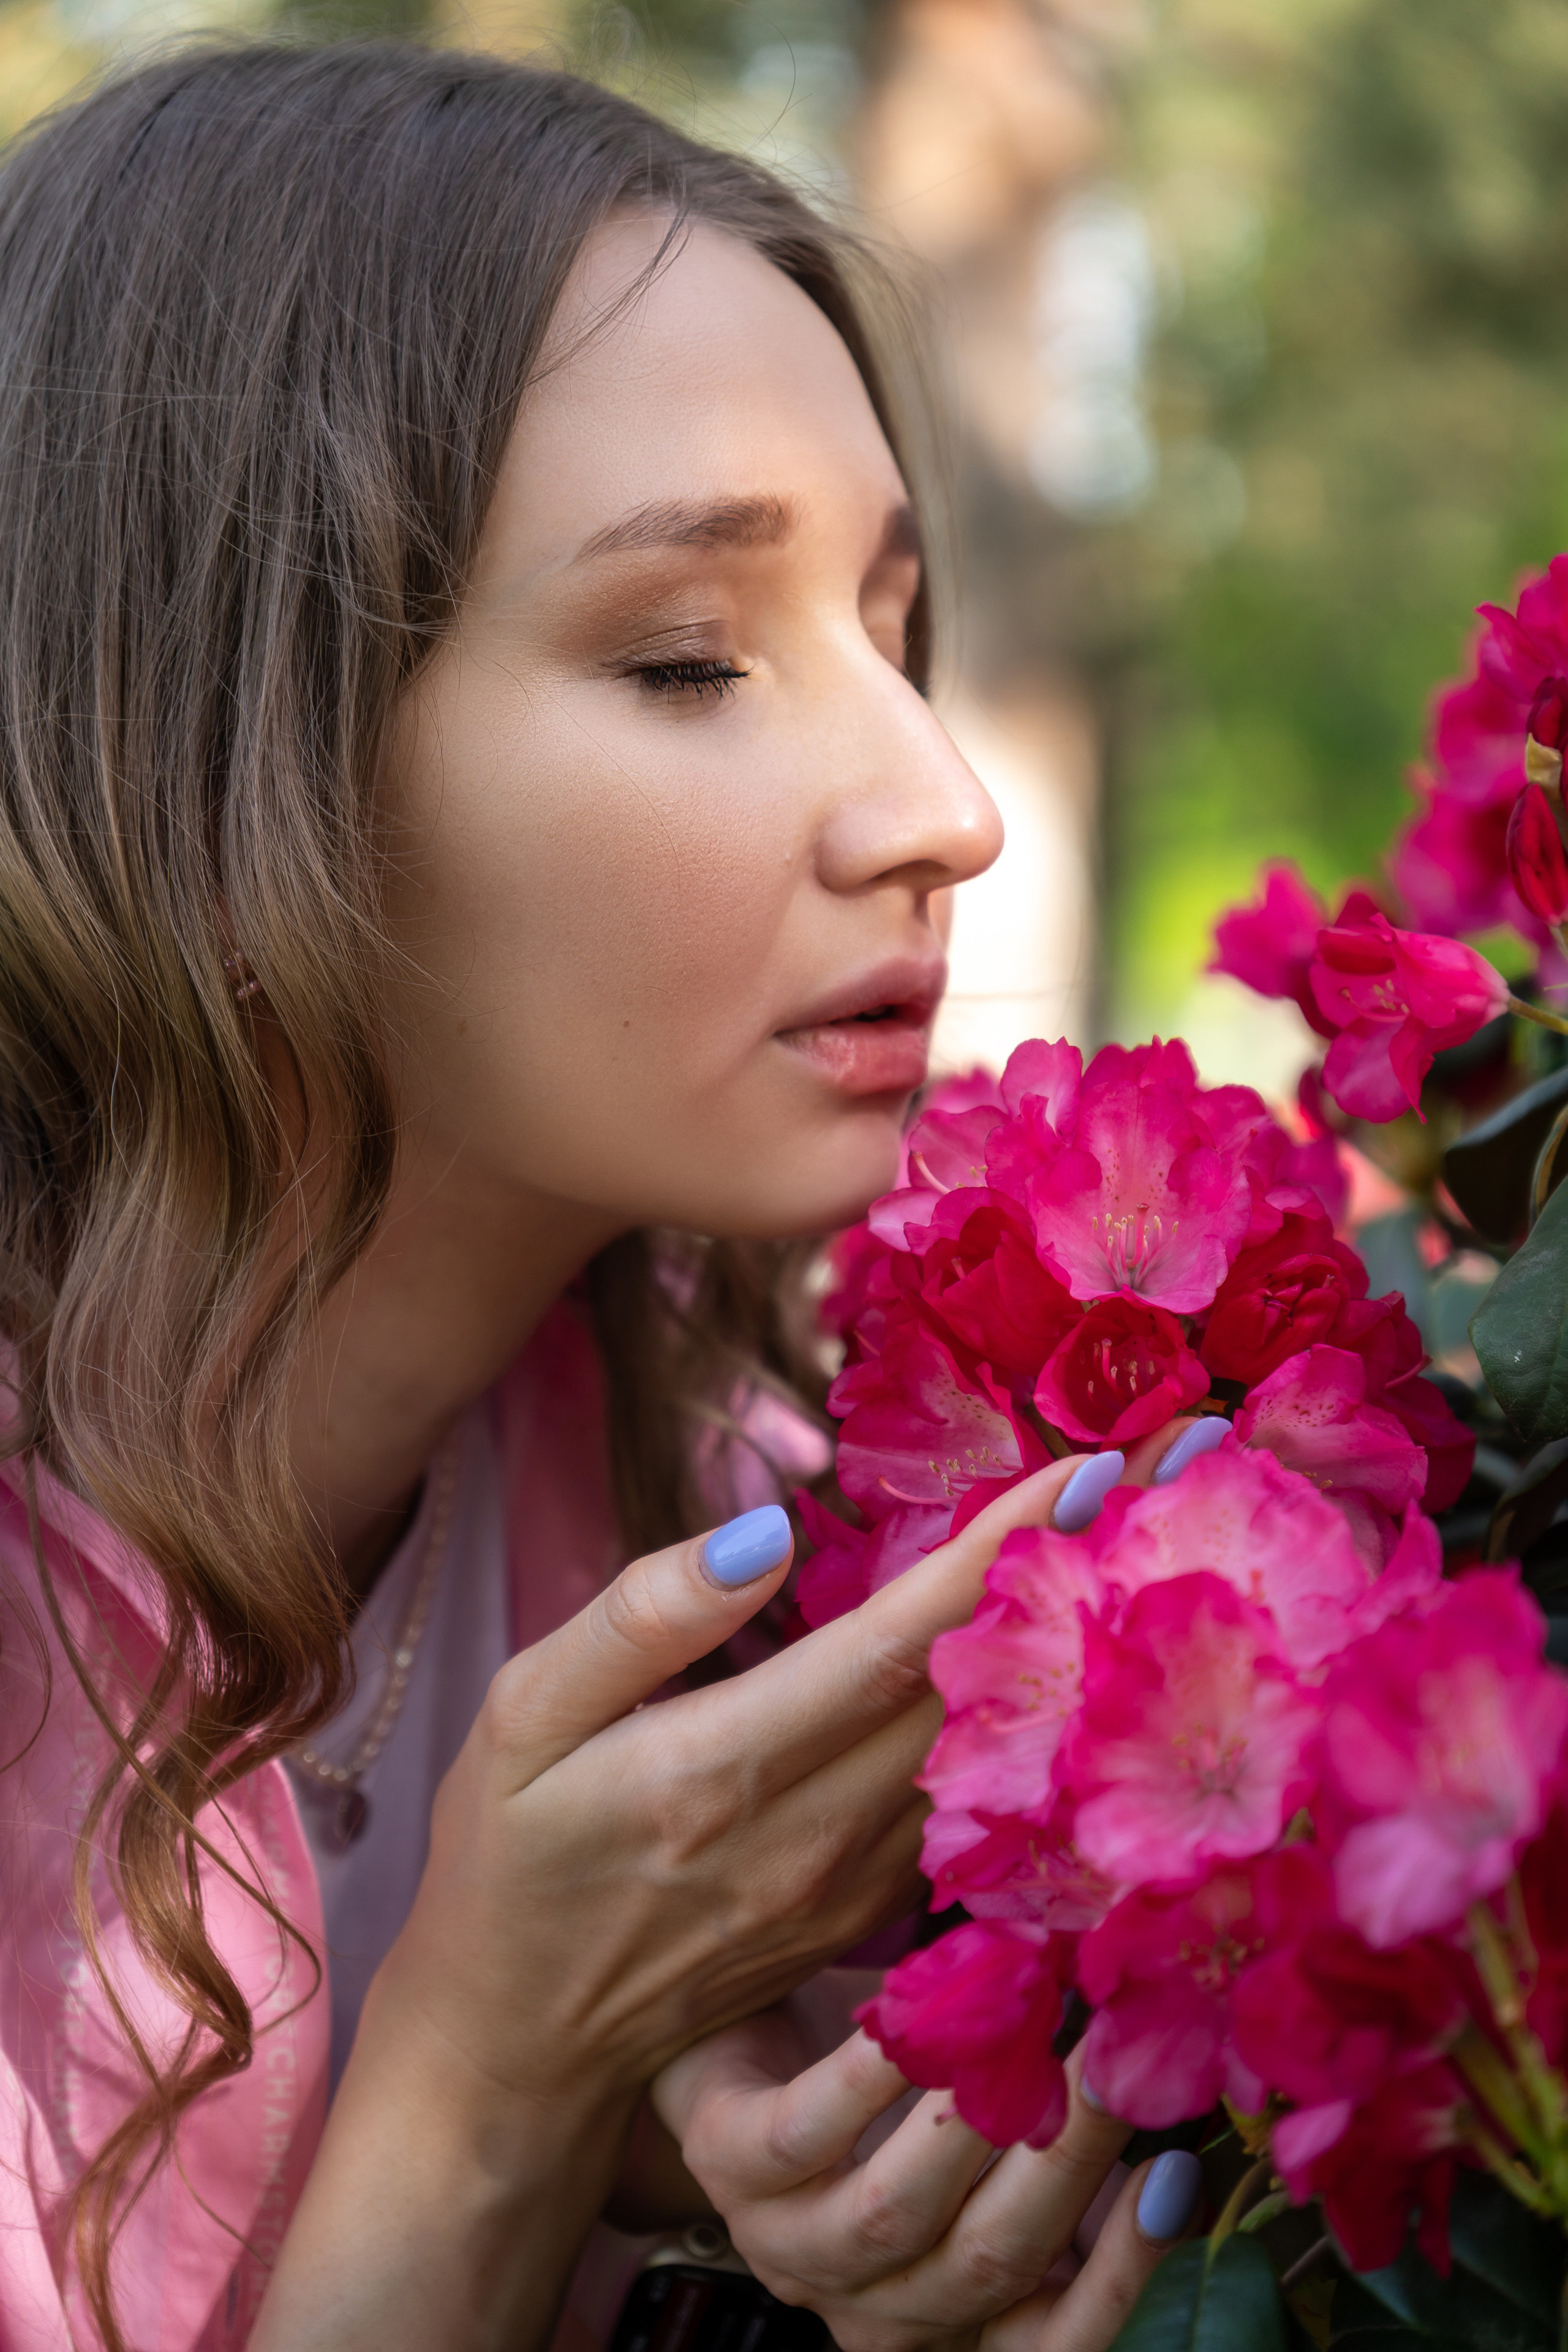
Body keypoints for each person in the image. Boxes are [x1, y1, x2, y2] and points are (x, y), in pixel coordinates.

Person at [0, 42, 1205, 2352]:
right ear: (212, 767)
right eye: (688, 657)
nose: (941, 803)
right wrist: (492, 2089)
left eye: (894, 628)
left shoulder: (745, 1504)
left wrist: (694, 2125)